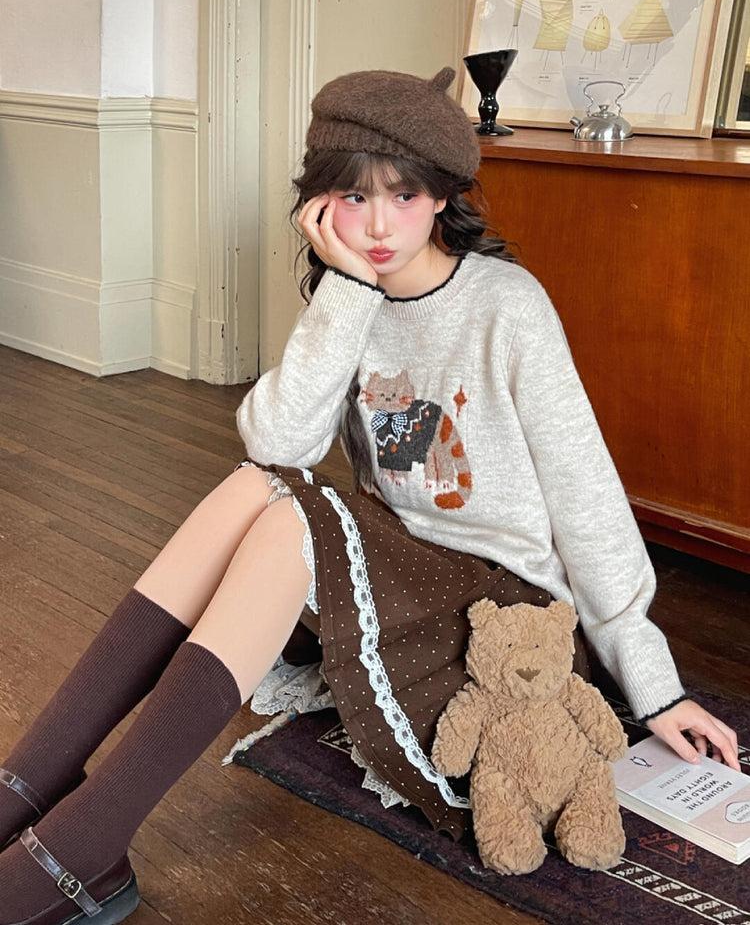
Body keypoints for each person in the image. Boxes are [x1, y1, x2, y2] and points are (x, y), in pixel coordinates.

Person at [0, 67, 738, 923]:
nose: (380, 226)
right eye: (354, 197)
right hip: (404, 572)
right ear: (319, 204)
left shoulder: (509, 308)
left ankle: (83, 845)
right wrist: (346, 291)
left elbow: (588, 498)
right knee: (257, 487)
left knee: (288, 525)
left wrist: (655, 685)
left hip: (504, 613)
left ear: (443, 197)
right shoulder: (347, 298)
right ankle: (29, 782)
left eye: (404, 195)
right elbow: (275, 446)